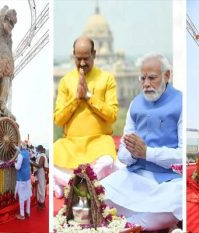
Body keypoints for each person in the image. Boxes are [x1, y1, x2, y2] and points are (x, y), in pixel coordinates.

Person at [101, 53, 183, 231]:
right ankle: (143, 224)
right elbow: (122, 154)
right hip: (134, 176)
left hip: (166, 181)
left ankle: (127, 224)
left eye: (152, 78)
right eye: (143, 78)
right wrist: (132, 152)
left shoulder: (180, 102)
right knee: (98, 191)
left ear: (167, 75)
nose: (146, 84)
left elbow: (182, 155)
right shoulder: (135, 104)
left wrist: (148, 153)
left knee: (179, 198)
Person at [53, 36, 119, 197]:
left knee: (107, 162)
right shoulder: (66, 81)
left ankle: (69, 184)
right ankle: (83, 184)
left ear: (94, 54)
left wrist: (89, 97)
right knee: (51, 159)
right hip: (71, 144)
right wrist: (76, 98)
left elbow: (112, 115)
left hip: (99, 142)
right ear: (73, 56)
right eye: (78, 59)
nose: (82, 63)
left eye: (86, 58)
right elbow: (58, 119)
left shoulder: (106, 78)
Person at [14, 141, 32, 220]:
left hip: (22, 178)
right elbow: (19, 149)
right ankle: (28, 212)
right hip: (27, 177)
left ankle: (22, 215)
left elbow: (18, 167)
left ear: (21, 147)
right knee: (28, 195)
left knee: (21, 196)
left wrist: (14, 163)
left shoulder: (20, 155)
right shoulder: (27, 153)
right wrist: (16, 147)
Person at [31, 145, 49, 209]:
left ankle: (42, 205)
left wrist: (31, 162)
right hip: (40, 173)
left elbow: (39, 166)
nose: (36, 150)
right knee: (40, 188)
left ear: (39, 149)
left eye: (37, 149)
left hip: (41, 174)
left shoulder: (42, 156)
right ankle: (40, 204)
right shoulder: (41, 155)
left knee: (41, 188)